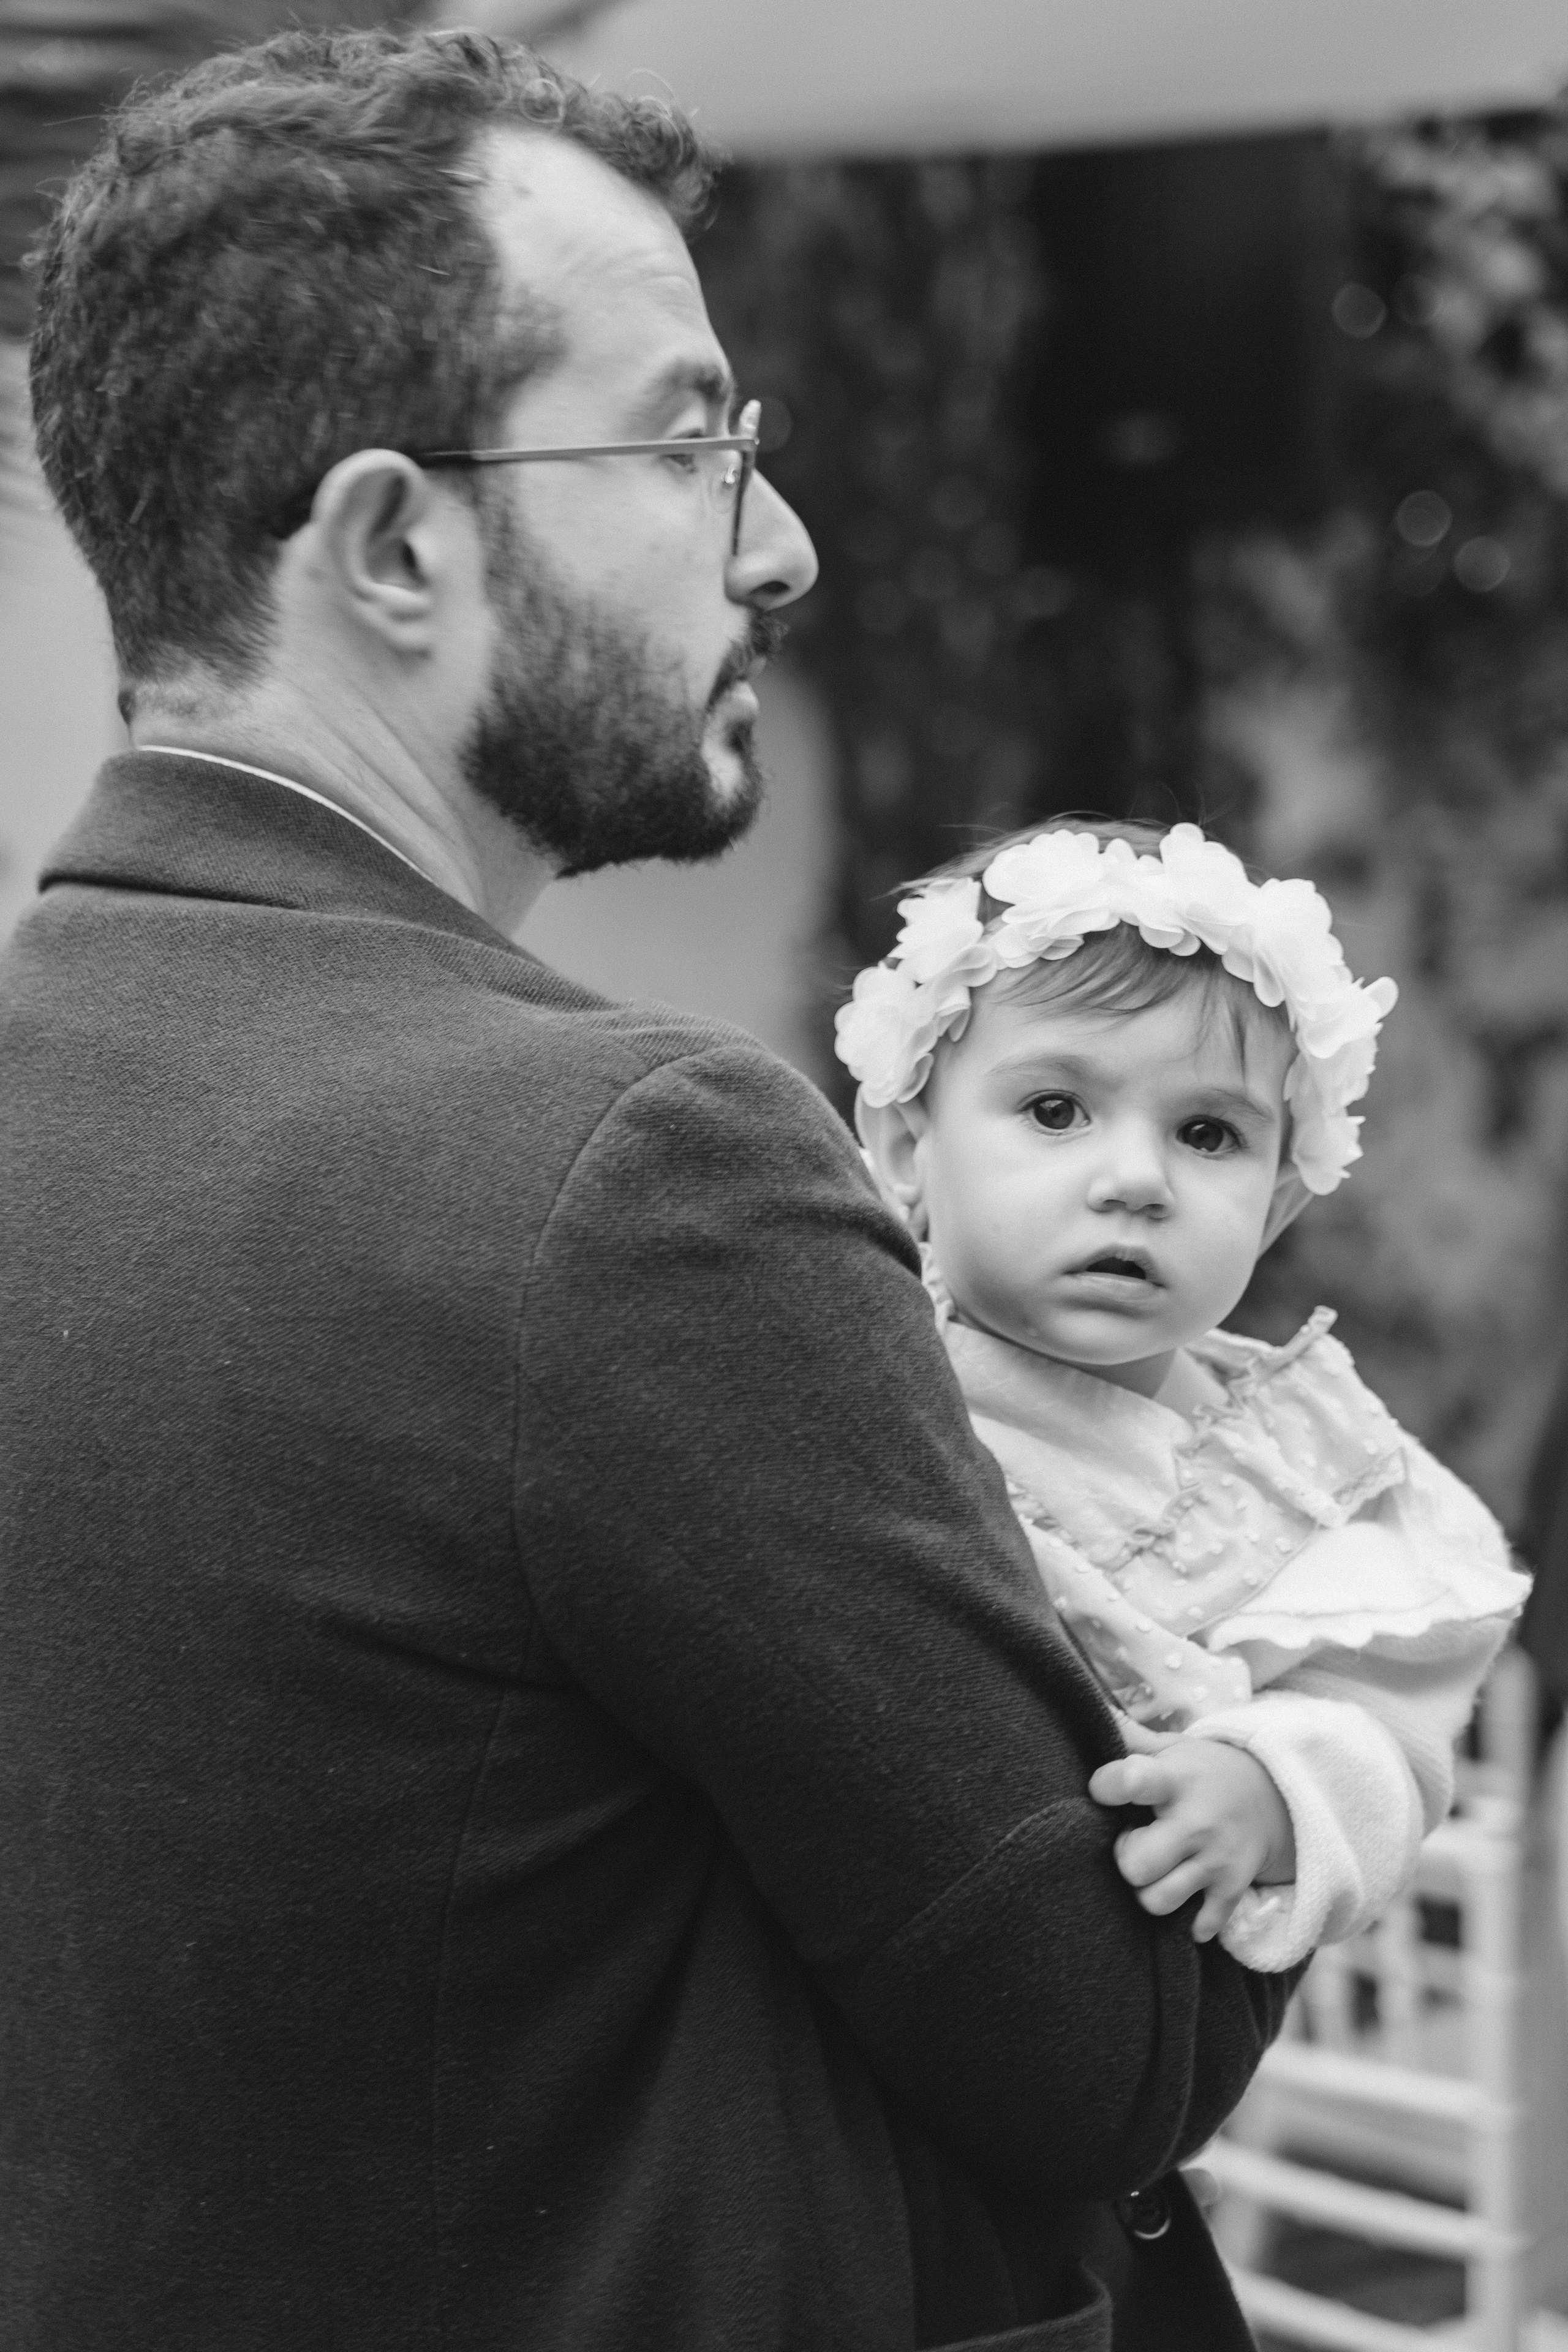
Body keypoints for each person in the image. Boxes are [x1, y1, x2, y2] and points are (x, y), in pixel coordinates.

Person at [1, 31, 1292, 2352]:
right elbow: (1104, 2046)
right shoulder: (627, 1180)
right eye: (689, 442)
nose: (779, 546)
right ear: (397, 545)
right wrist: (1277, 1625)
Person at [842, 816, 1529, 1973]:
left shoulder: (1296, 1463)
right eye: (1055, 1110)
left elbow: (1390, 1733)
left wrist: (1274, 1788)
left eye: (1208, 1133)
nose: (1134, 1181)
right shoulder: (848, 1354)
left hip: (1094, 1990)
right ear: (909, 1151)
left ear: (1275, 1207)